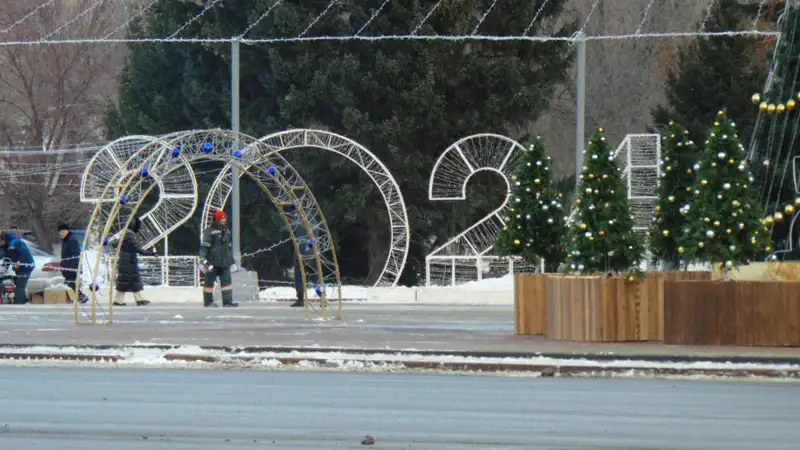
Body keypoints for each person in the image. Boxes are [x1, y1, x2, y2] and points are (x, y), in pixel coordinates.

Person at [200, 210, 238, 308]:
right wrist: (203, 261)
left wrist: (232, 262)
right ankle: (208, 302)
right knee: (209, 283)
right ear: (217, 219)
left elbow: (229, 248)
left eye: (225, 218)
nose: (224, 220)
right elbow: (204, 247)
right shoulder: (209, 231)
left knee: (227, 283)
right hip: (211, 262)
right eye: (222, 218)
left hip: (225, 262)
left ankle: (227, 302)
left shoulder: (227, 231)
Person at [112, 216, 153, 306]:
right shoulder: (129, 236)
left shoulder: (124, 235)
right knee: (133, 281)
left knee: (124, 282)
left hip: (124, 262)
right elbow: (137, 248)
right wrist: (150, 253)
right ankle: (139, 300)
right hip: (129, 263)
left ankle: (118, 300)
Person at [0, 230, 35, 304]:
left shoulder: (16, 242)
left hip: (26, 265)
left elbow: (24, 253)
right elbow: (6, 259)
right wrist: (3, 270)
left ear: (3, 239)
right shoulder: (5, 245)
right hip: (17, 267)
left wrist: (18, 264)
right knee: (16, 281)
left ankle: (19, 302)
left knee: (20, 284)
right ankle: (23, 298)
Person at [58, 224, 88, 304]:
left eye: (63, 231)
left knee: (70, 284)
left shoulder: (71, 240)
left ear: (68, 231)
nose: (61, 233)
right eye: (60, 232)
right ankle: (76, 298)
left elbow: (75, 255)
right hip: (67, 266)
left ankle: (81, 297)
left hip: (71, 267)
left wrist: (72, 268)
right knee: (69, 284)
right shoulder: (66, 240)